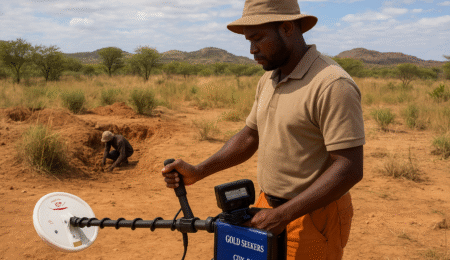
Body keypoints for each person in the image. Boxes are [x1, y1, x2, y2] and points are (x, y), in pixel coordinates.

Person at [161, 0, 365, 259]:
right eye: (248, 40)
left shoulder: (332, 84)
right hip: (265, 208)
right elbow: (250, 136)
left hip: (312, 216)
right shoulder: (269, 79)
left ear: (288, 28)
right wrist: (199, 171)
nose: (251, 49)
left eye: (257, 38)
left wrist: (284, 215)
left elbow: (349, 168)